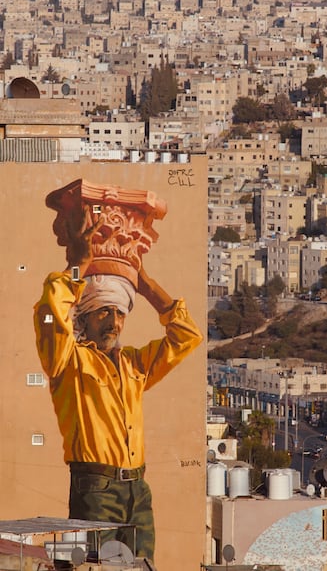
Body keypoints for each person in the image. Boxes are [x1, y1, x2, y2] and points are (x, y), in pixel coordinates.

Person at [33, 212, 203, 562]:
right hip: (95, 488)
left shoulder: (133, 364)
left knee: (142, 566)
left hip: (137, 489)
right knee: (97, 566)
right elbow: (50, 309)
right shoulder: (69, 362)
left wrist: (145, 284)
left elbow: (187, 336)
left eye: (120, 313)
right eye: (103, 312)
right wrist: (77, 266)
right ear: (84, 316)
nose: (114, 322)